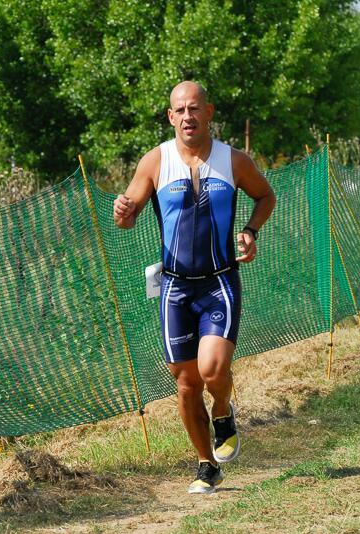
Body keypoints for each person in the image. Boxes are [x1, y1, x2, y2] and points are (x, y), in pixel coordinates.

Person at [113, 81, 276, 494]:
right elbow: (126, 217)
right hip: (175, 289)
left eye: (195, 108)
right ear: (171, 117)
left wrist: (251, 231)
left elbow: (265, 196)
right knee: (186, 384)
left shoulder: (233, 160)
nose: (188, 116)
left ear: (209, 112)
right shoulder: (156, 161)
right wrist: (122, 210)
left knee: (212, 370)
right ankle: (207, 465)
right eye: (180, 110)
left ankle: (222, 409)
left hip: (219, 282)